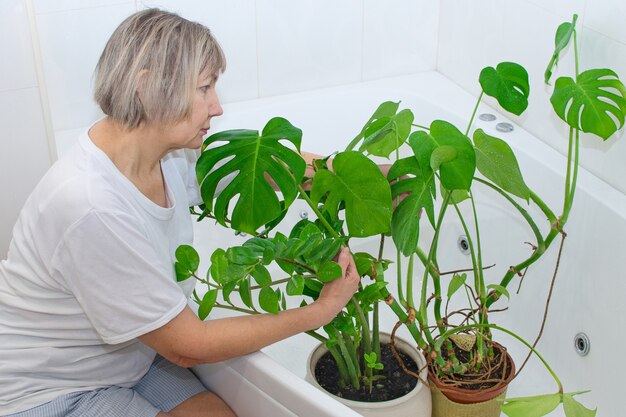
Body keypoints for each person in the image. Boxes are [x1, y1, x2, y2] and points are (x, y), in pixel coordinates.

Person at [0, 9, 360, 417]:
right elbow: (188, 347)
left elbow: (271, 169)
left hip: (126, 355)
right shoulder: (89, 205)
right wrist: (322, 310)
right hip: (48, 386)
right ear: (146, 86)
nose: (218, 107)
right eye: (204, 88)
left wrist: (367, 180)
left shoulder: (165, 154)